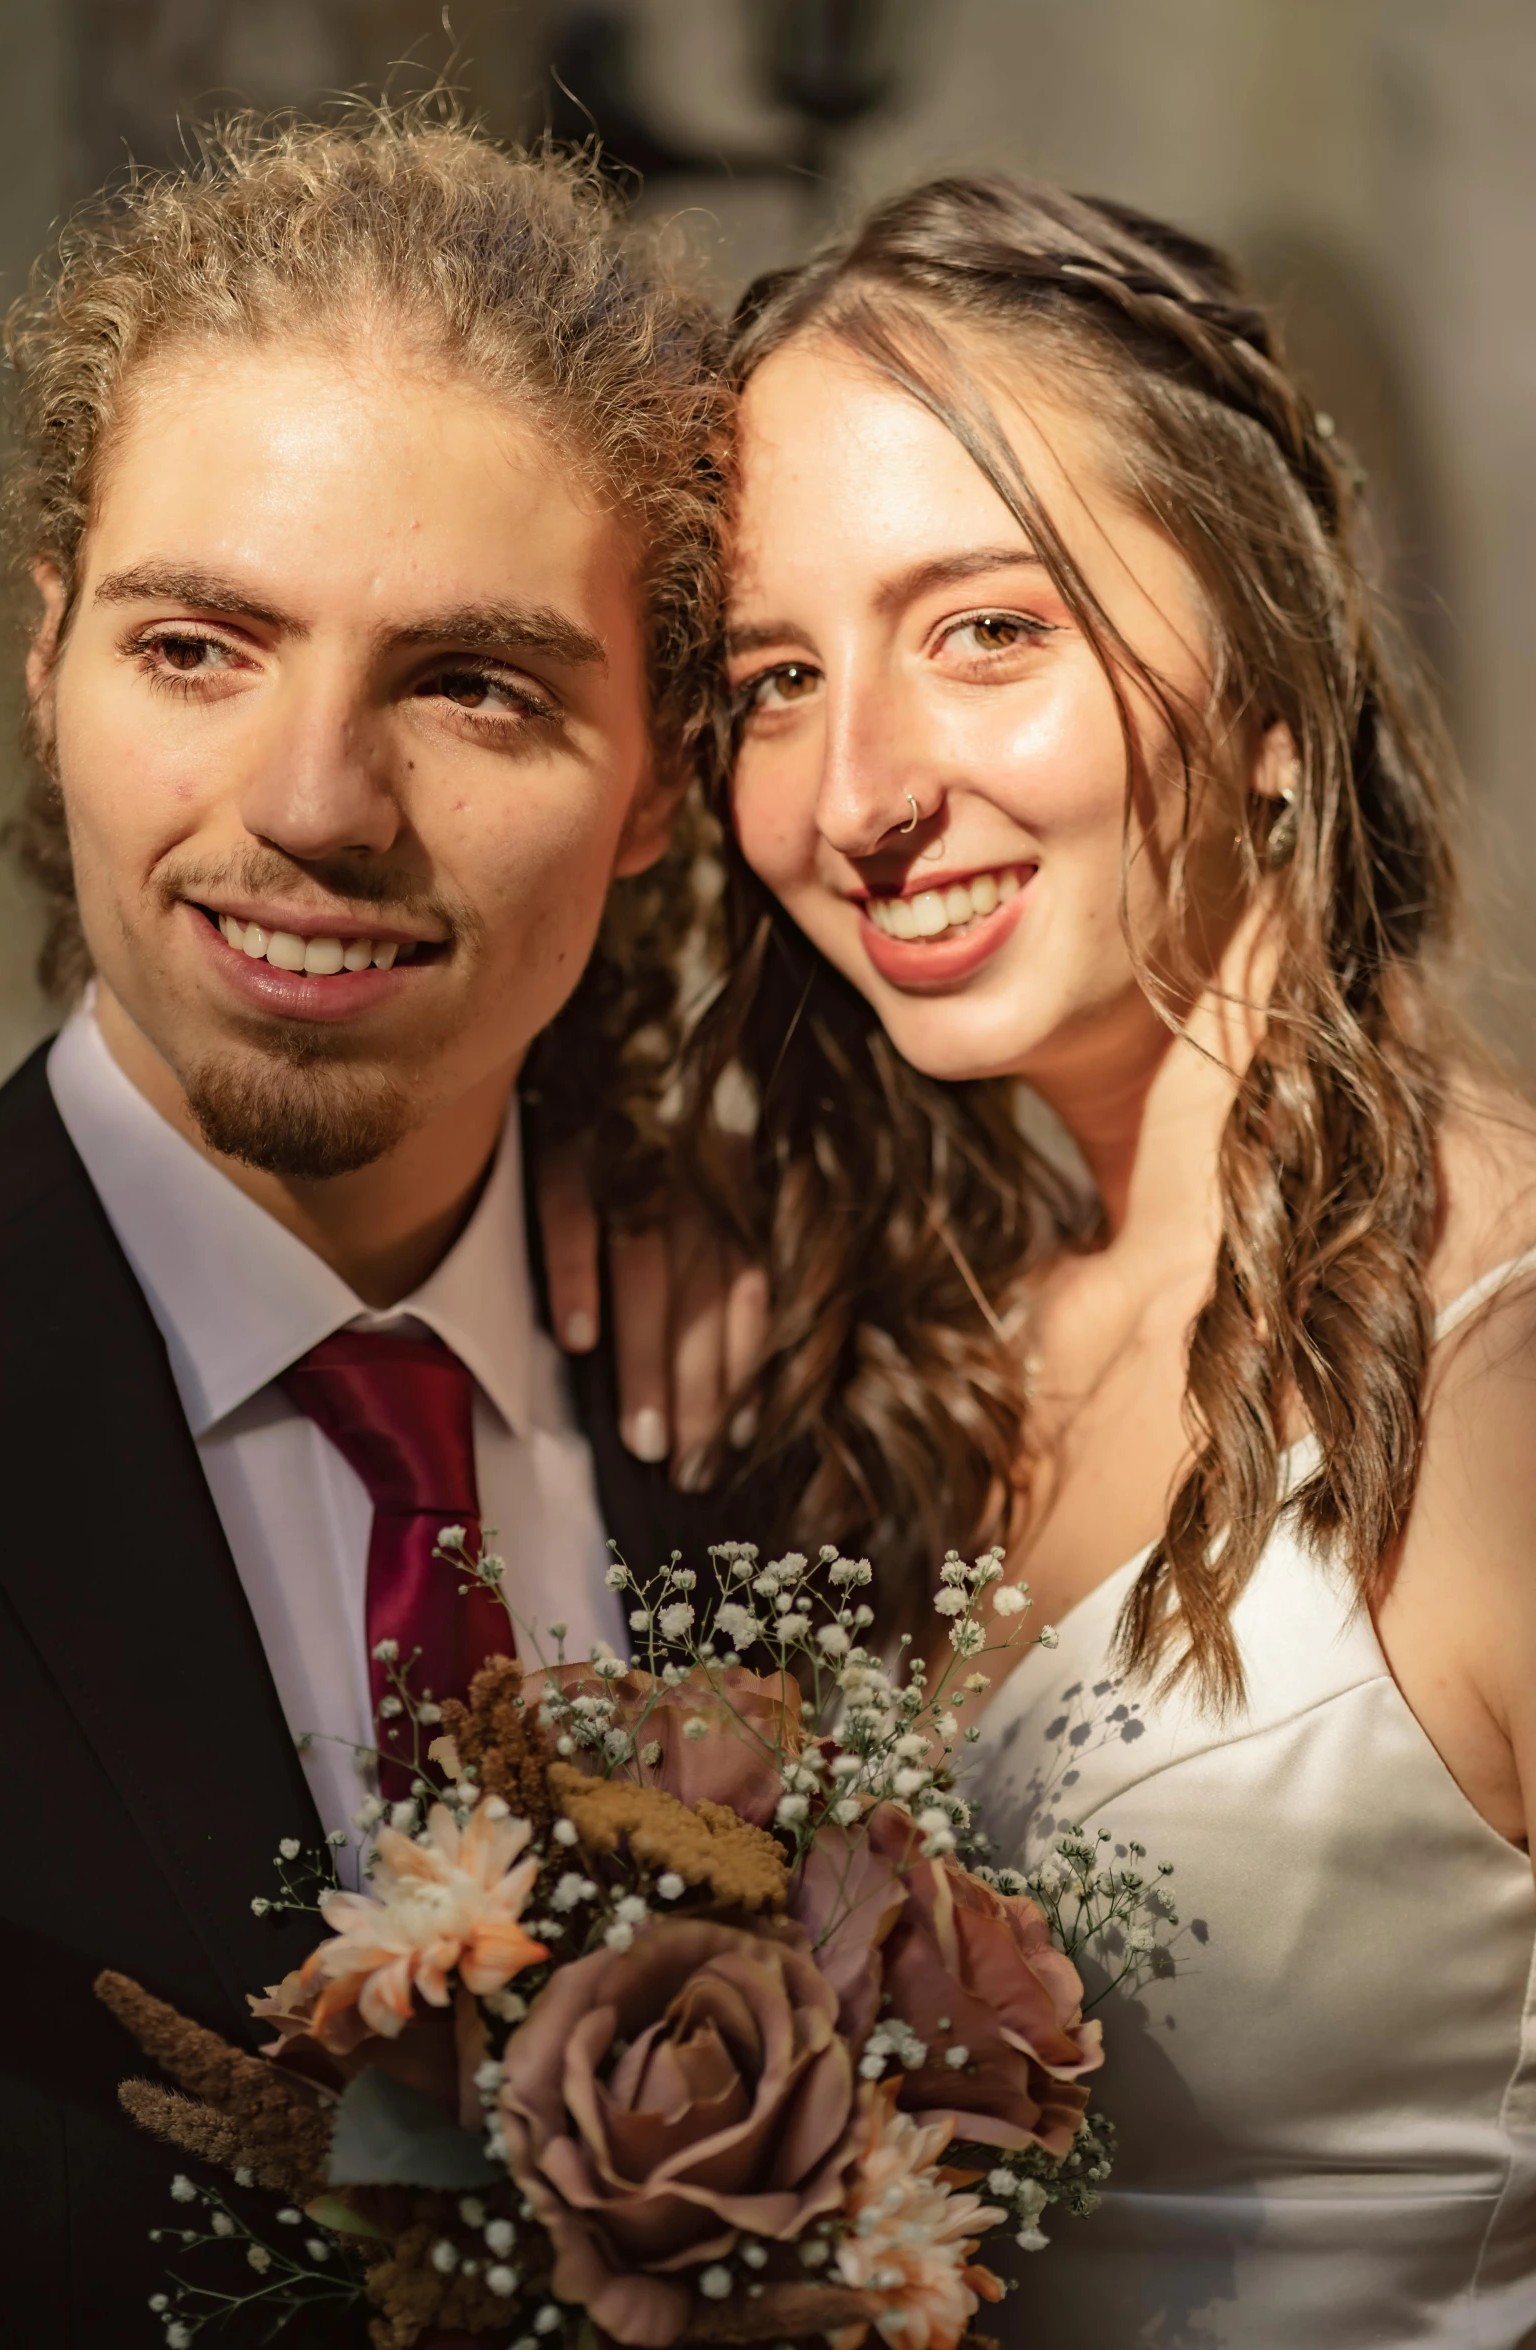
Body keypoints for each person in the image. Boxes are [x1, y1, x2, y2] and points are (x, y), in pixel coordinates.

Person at [551, 176, 1536, 2345]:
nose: (859, 792)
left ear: (1278, 671)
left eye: (989, 627)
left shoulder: (1510, 1375)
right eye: (777, 681)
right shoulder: (876, 1331)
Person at [0, 104, 737, 2343]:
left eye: (469, 680)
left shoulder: (813, 1392)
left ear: (666, 775)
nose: (310, 804)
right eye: (197, 645)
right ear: (47, 659)